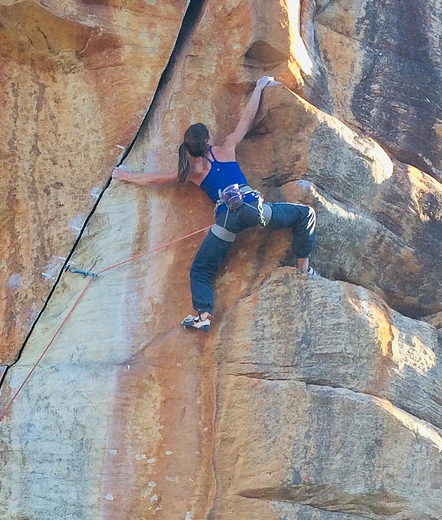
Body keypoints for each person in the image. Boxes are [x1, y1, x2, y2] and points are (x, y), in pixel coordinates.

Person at [113, 76, 316, 331]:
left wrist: (125, 175)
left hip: (226, 221)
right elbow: (247, 119)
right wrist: (259, 87)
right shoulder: (226, 148)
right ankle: (302, 268)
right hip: (253, 208)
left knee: (200, 270)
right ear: (207, 141)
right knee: (305, 214)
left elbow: (155, 179)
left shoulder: (192, 172)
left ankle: (204, 315)